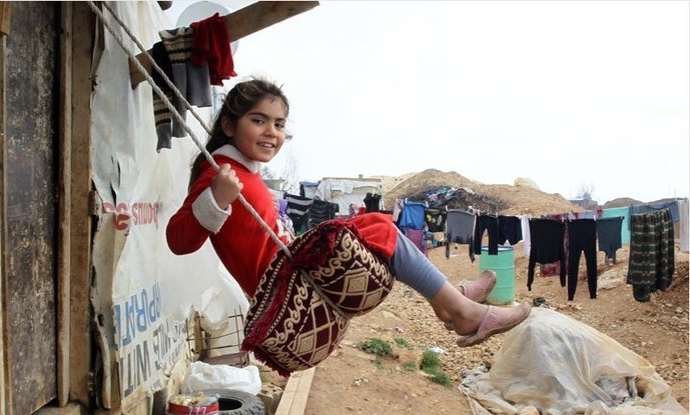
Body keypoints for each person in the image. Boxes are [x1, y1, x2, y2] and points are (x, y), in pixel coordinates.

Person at [166, 78, 531, 347]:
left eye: (279, 124)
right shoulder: (220, 175)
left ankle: (453, 297)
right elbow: (178, 241)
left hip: (297, 276)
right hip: (286, 291)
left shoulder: (248, 173)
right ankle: (465, 313)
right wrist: (217, 198)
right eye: (258, 120)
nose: (272, 132)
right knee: (379, 227)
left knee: (377, 225)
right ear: (229, 125)